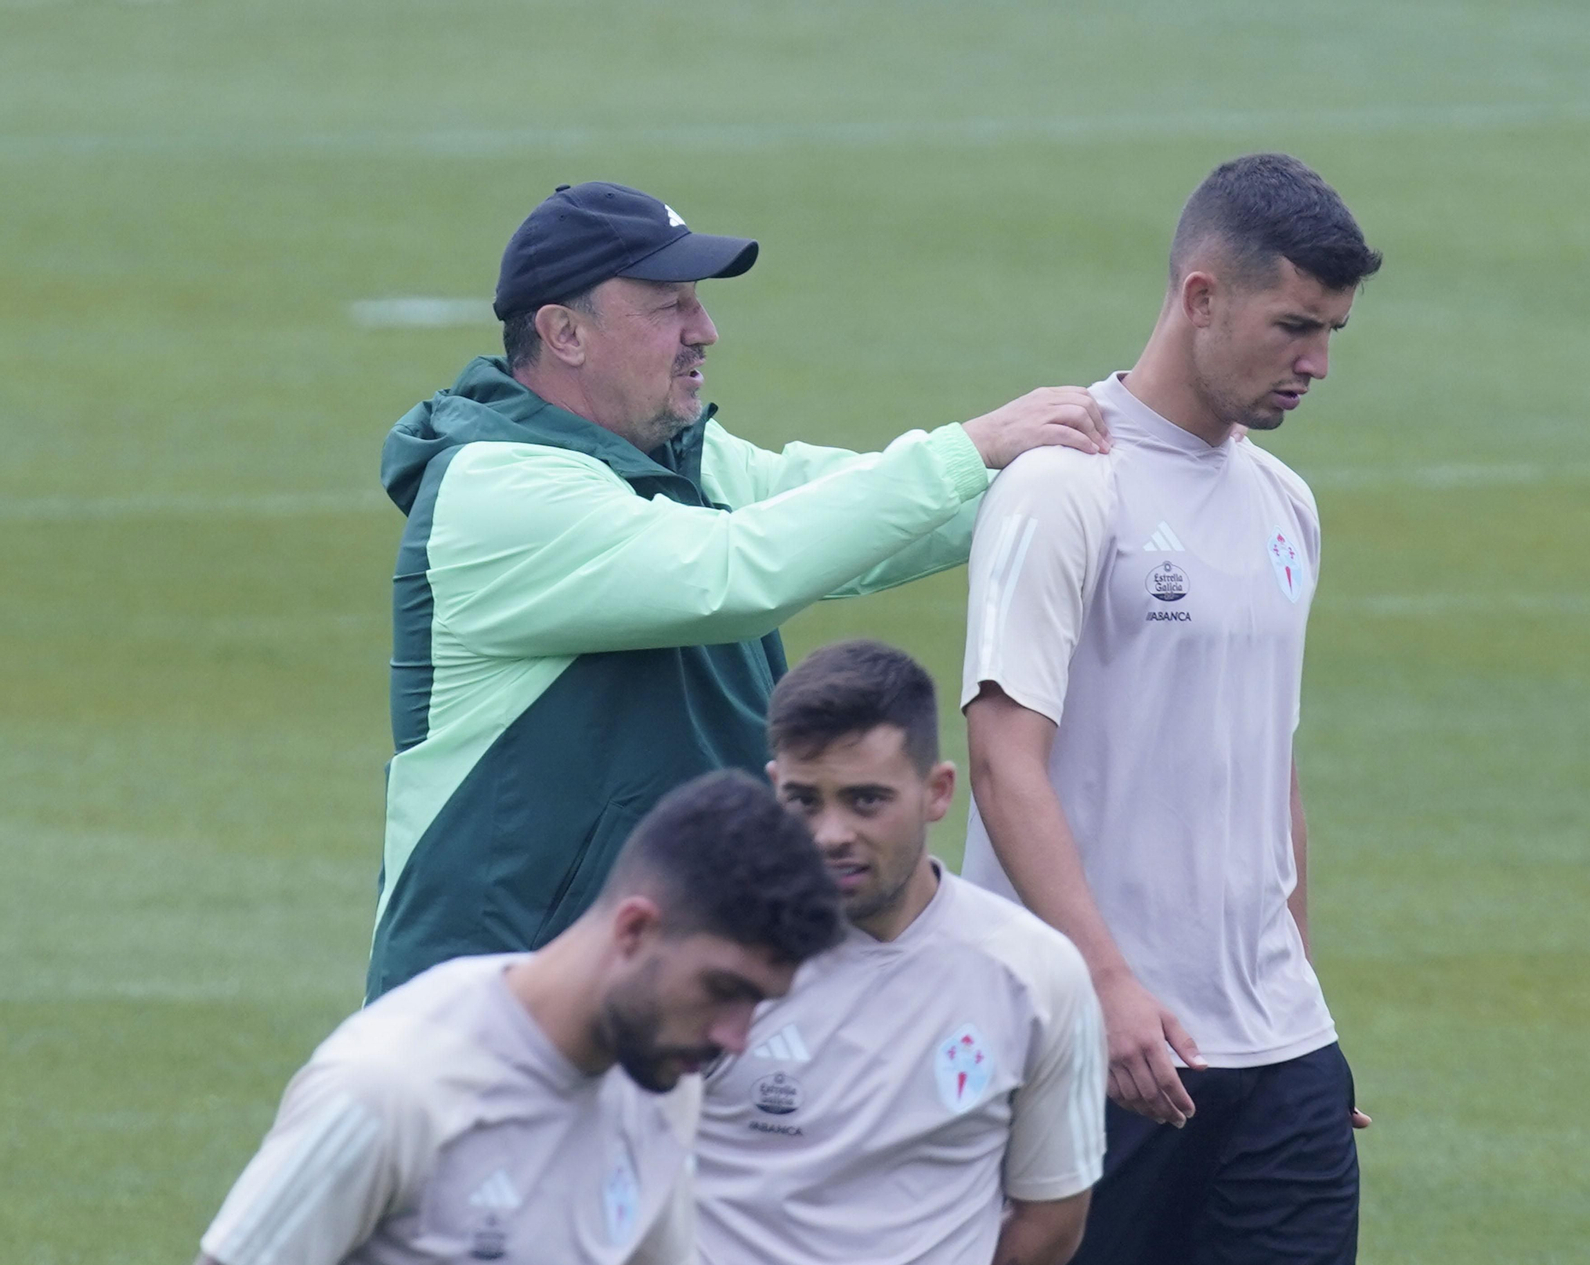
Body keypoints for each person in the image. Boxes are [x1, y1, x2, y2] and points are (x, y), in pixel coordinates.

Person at [368, 180, 1111, 1001]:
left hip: (677, 991)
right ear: (565, 333)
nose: (704, 330)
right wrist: (969, 449)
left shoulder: (684, 456)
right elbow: (736, 571)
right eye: (668, 306)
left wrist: (1075, 468)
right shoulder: (497, 488)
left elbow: (852, 524)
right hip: (496, 1008)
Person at [961, 152, 1383, 1264]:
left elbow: (1266, 765)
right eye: (1295, 325)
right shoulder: (1065, 485)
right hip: (1103, 1045)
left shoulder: (1286, 501)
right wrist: (1105, 982)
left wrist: (1299, 1001)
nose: (1319, 362)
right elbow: (1004, 758)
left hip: (1279, 1055)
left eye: (1332, 330)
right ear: (1202, 296)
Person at [195, 771, 841, 1265]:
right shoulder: (390, 1085)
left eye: (759, 1002)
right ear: (636, 928)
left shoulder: (664, 1088)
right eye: (723, 988)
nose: (735, 1037)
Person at [694, 640, 1107, 1265]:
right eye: (805, 801)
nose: (831, 835)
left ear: (937, 791)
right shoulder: (705, 963)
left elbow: (1050, 1221)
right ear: (774, 788)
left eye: (866, 800)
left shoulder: (1033, 971)